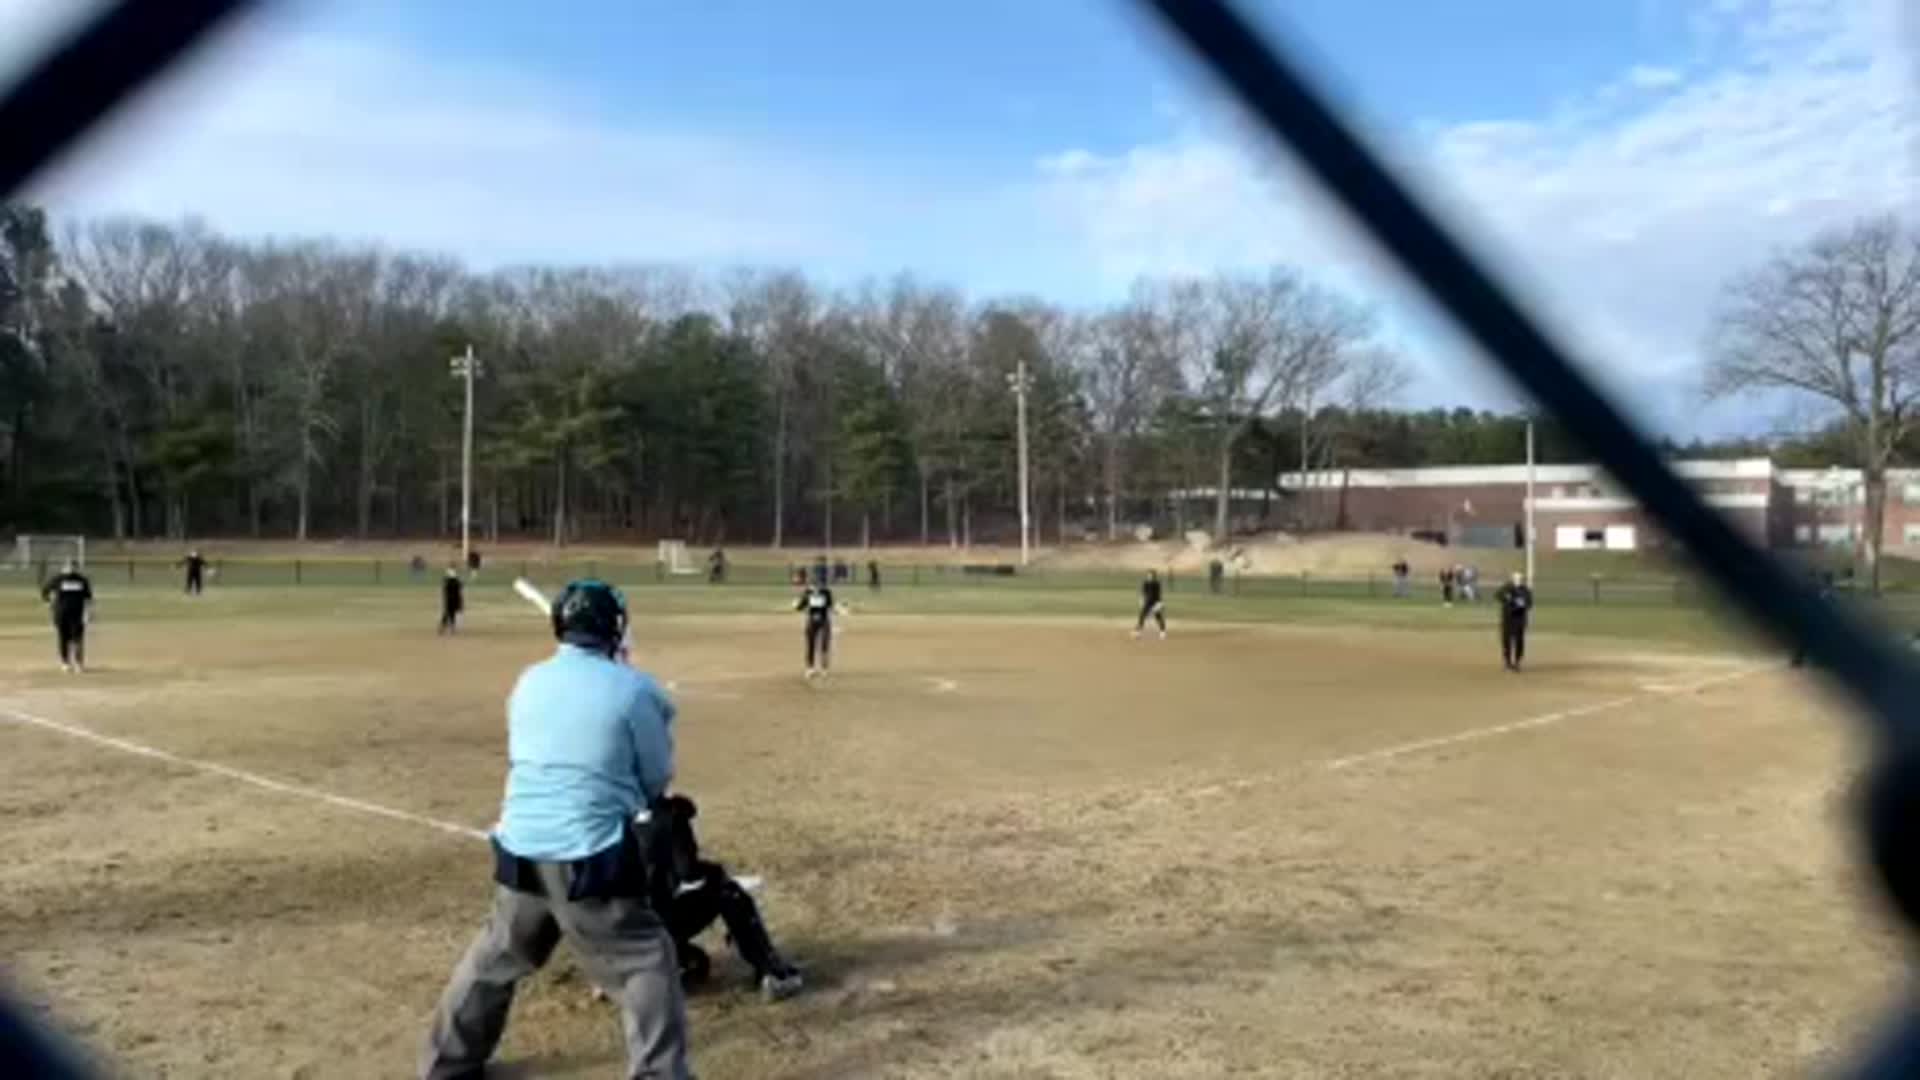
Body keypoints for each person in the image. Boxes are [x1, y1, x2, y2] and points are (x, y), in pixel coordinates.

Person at [419, 580, 690, 1080]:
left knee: (498, 954)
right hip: (589, 856)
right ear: (616, 628)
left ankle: (448, 1065)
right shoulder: (635, 690)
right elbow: (656, 778)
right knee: (644, 960)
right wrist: (630, 683)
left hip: (518, 845)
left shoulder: (529, 681)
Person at [658, 794, 803, 1000]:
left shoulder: (605, 811)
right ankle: (772, 971)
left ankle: (615, 975)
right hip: (649, 927)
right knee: (727, 891)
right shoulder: (667, 813)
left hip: (608, 936)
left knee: (696, 962)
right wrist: (714, 872)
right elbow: (687, 870)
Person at [40, 559, 93, 674]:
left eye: (73, 566)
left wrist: (88, 613)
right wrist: (48, 603)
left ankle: (79, 663)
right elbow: (45, 591)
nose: (70, 568)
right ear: (64, 567)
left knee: (77, 639)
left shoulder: (82, 580)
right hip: (61, 613)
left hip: (77, 614)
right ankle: (65, 663)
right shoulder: (57, 579)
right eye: (68, 566)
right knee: (63, 638)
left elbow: (88, 598)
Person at [794, 578, 847, 680]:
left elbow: (831, 605)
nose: (816, 588)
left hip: (824, 621)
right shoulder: (807, 593)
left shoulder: (826, 592)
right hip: (811, 621)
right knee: (811, 645)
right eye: (814, 586)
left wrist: (840, 610)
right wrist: (796, 605)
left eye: (819, 585)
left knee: (824, 644)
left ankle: (824, 669)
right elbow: (800, 606)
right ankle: (810, 669)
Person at [1496, 571, 1534, 672]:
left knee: (1519, 641)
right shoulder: (1506, 588)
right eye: (1515, 579)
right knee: (1506, 641)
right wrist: (1507, 598)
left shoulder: (1525, 590)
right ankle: (1508, 663)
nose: (1517, 581)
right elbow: (1498, 595)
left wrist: (1518, 603)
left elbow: (1528, 604)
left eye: (1519, 579)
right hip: (1507, 619)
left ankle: (1517, 662)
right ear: (1512, 579)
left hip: (1519, 619)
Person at [1133, 569, 1167, 639]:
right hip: (1147, 602)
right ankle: (1138, 632)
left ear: (1154, 576)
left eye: (1152, 575)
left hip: (1155, 602)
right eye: (1149, 575)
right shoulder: (1145, 583)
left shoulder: (1157, 584)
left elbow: (1158, 595)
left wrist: (1160, 603)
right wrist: (1141, 601)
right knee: (1142, 615)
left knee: (1158, 616)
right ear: (1147, 576)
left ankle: (1162, 632)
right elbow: (1143, 593)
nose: (1150, 577)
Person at [438, 567, 465, 635]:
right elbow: (461, 589)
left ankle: (443, 627)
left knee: (447, 613)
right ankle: (451, 628)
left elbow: (444, 590)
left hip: (448, 600)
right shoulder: (457, 582)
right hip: (455, 600)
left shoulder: (446, 582)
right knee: (452, 614)